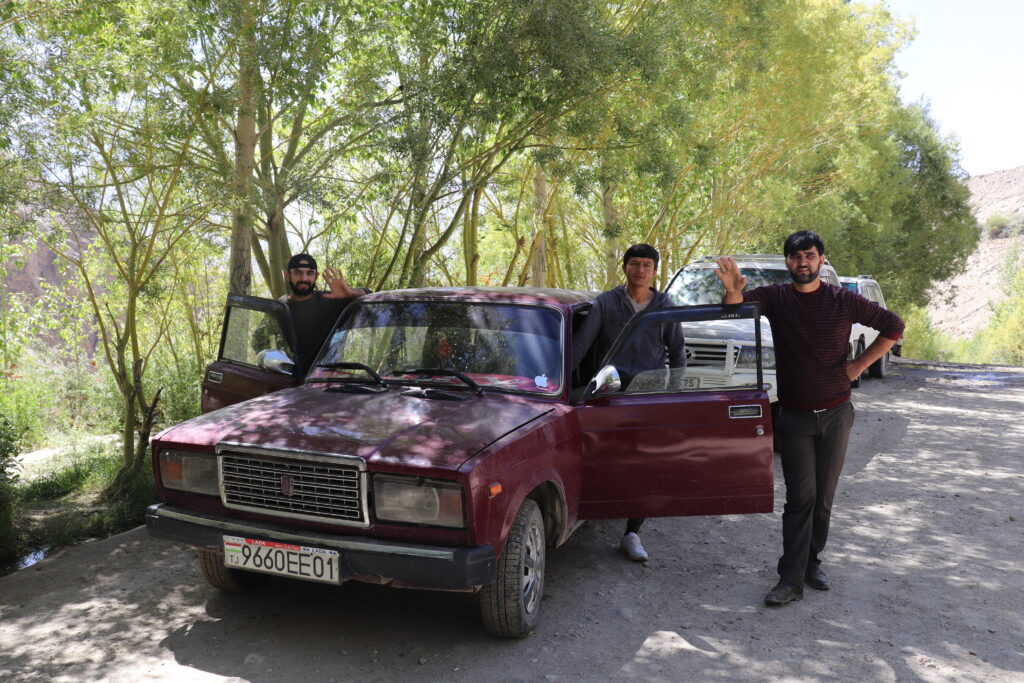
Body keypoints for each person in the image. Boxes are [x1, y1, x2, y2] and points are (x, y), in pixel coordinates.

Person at [715, 230, 904, 606]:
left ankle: (812, 561)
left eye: (810, 255)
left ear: (822, 259)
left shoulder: (843, 300)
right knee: (800, 498)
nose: (803, 262)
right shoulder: (775, 297)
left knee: (823, 499)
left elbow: (894, 327)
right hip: (796, 417)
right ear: (788, 262)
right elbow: (734, 309)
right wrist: (733, 290)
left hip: (836, 414)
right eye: (795, 256)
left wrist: (858, 366)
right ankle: (790, 578)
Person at [572, 243, 686, 562]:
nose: (640, 270)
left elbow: (677, 353)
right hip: (608, 392)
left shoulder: (664, 305)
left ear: (654, 270)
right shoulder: (606, 303)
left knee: (646, 464)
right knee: (603, 458)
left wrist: (678, 394)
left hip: (648, 394)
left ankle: (632, 533)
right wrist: (554, 381)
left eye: (647, 265)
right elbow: (581, 346)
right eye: (634, 263)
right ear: (625, 267)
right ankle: (590, 513)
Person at [279, 253, 369, 376]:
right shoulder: (280, 306)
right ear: (287, 275)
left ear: (316, 276)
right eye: (297, 273)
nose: (304, 278)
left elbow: (372, 298)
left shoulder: (331, 300)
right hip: (287, 381)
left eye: (309, 273)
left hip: (324, 381)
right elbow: (260, 340)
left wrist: (351, 293)